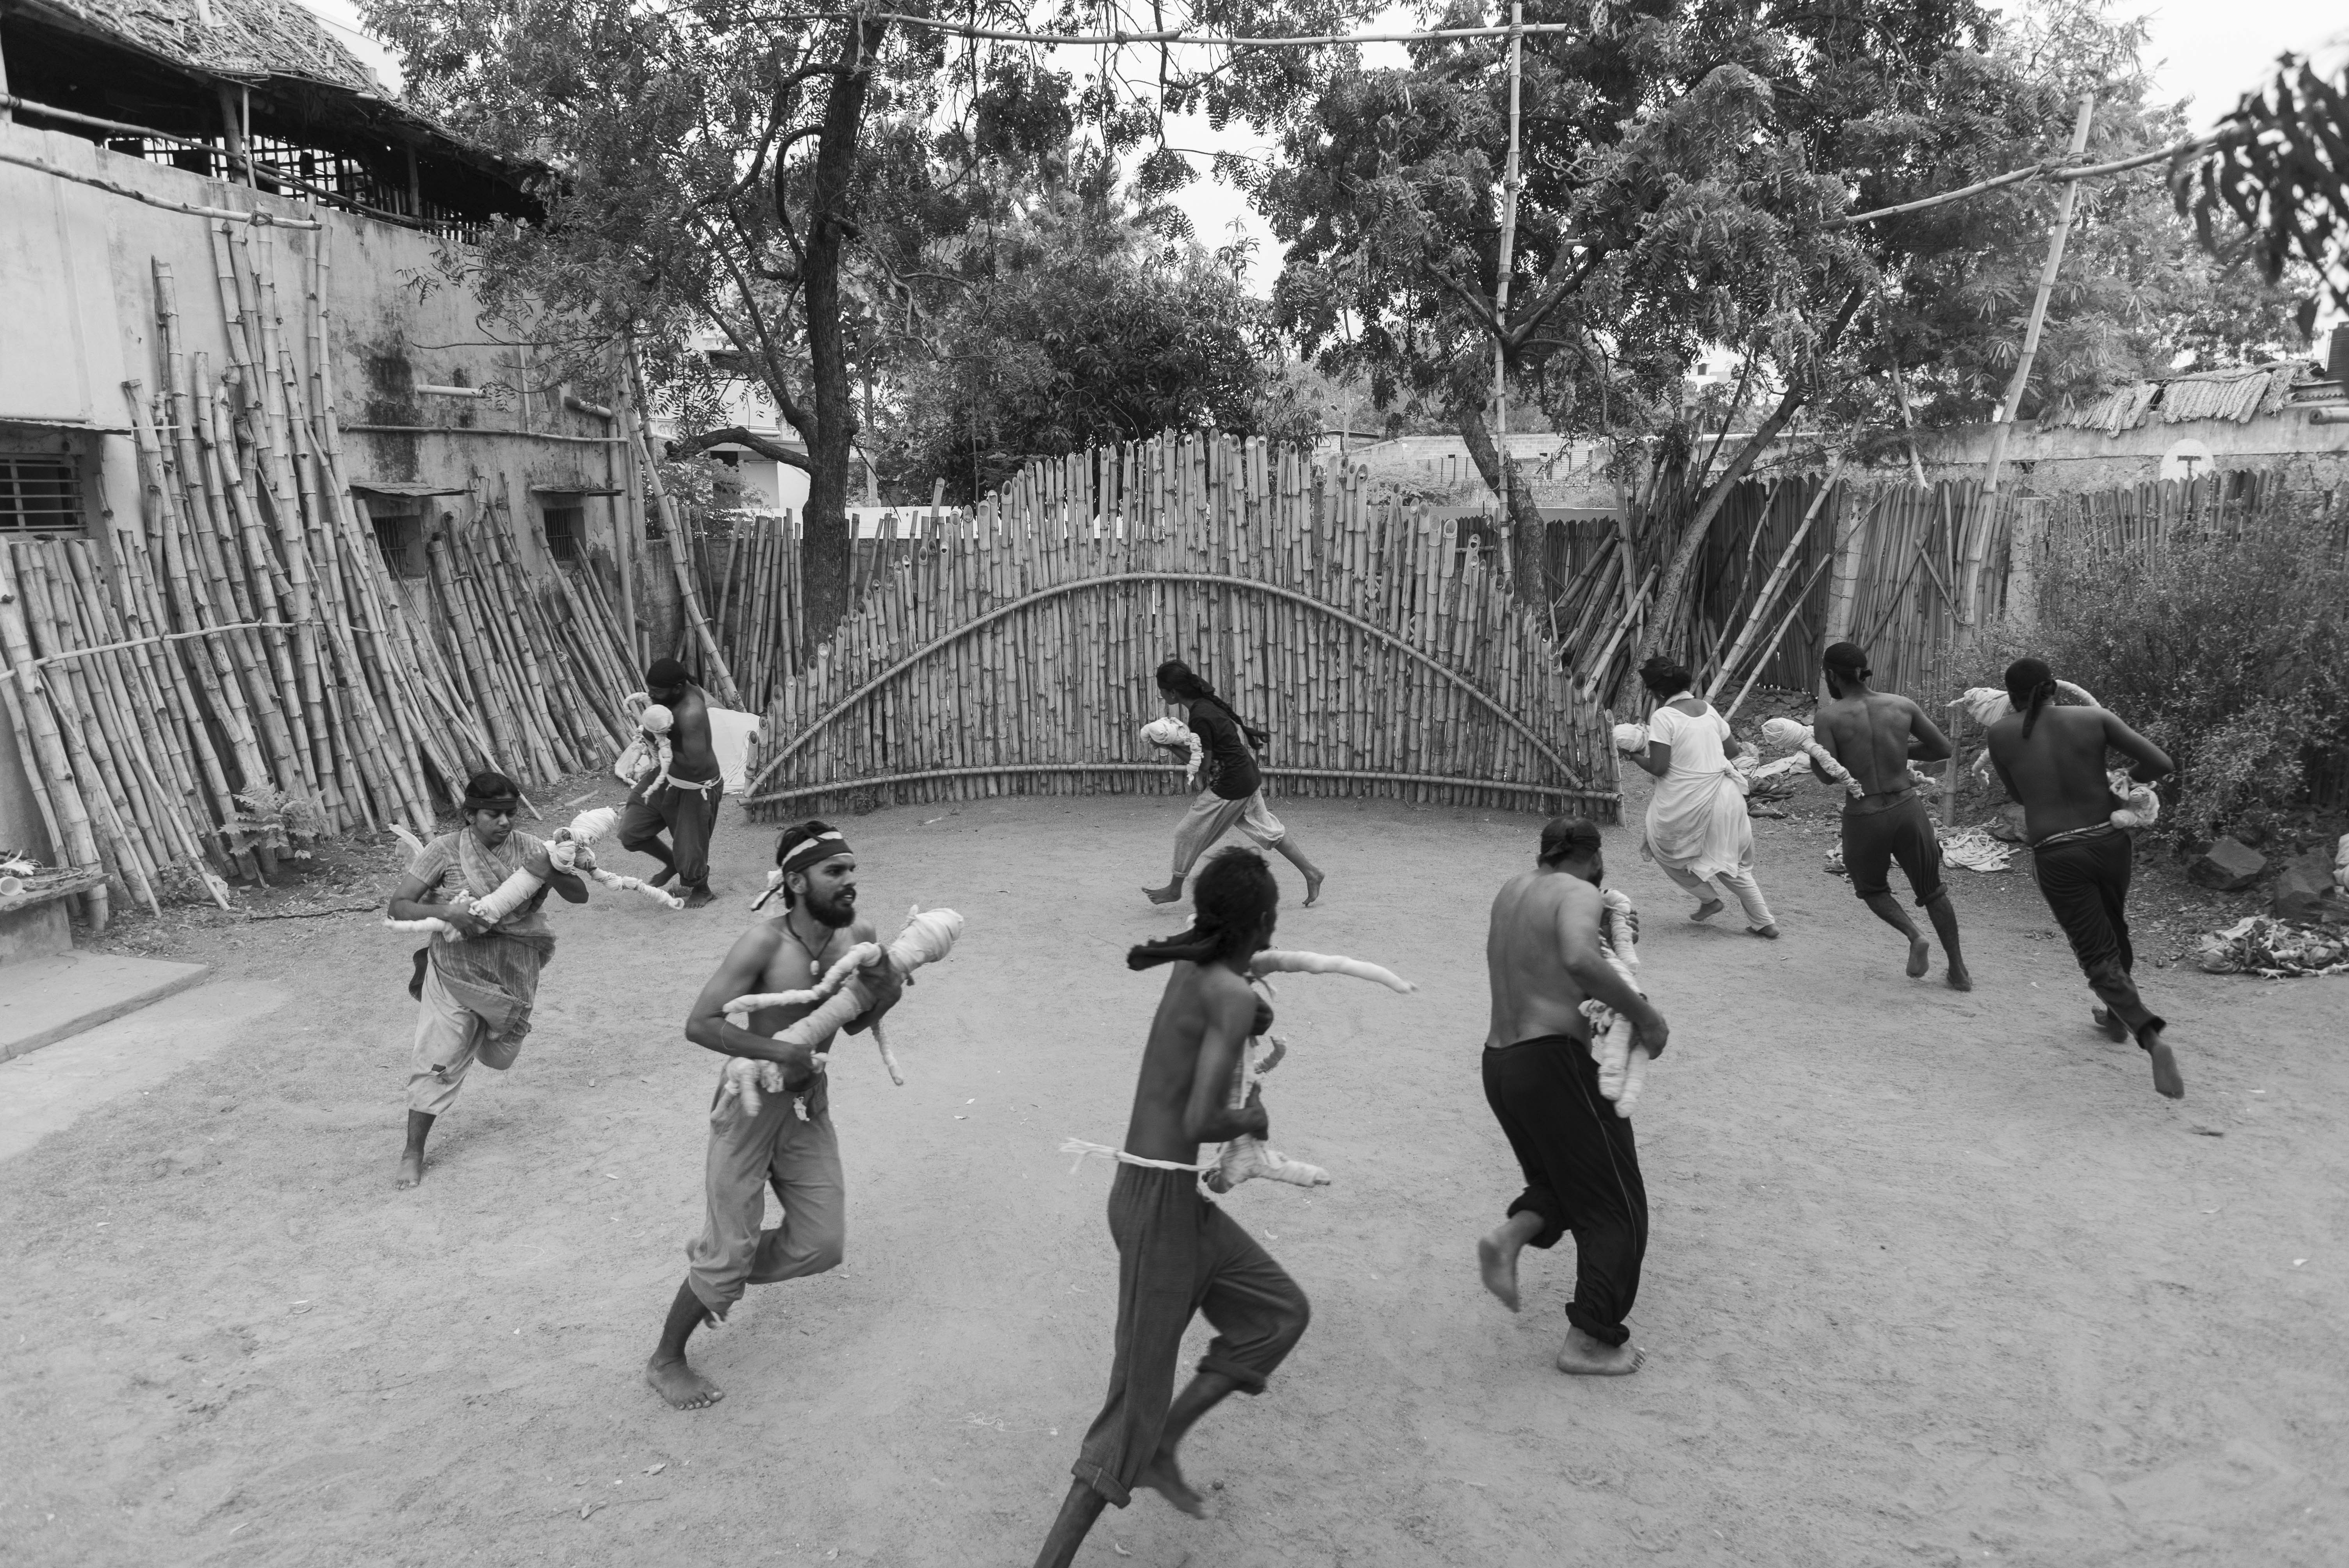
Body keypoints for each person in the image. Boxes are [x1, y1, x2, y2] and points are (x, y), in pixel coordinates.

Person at [1035, 849, 1312, 1563]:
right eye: (1273, 922)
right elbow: (1199, 1119)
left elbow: (1216, 1007)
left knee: (1278, 1313)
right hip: (1157, 1208)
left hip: (1164, 1201)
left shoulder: (1196, 970)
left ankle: (1162, 1446)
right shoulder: (1226, 993)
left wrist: (1248, 1017)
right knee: (1133, 1404)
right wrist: (1252, 1119)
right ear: (1261, 923)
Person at [643, 821, 904, 1409]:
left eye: (852, 870)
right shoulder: (763, 944)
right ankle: (667, 1359)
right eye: (835, 871)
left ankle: (718, 1263)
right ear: (797, 881)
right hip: (749, 1104)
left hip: (808, 1105)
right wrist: (779, 1052)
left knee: (822, 1243)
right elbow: (700, 1024)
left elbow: (854, 1022)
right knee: (727, 1254)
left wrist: (887, 991)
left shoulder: (859, 935)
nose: (850, 881)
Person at [1476, 818, 1669, 1375]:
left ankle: (1509, 1238)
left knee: (1564, 1181)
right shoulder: (1581, 892)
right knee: (1616, 1204)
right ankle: (1589, 1341)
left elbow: (1549, 966)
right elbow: (1580, 960)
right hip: (1551, 1062)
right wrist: (1646, 1017)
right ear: (1594, 858)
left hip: (1500, 1063)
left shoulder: (1512, 890)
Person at [1985, 659, 2183, 1099]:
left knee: (2095, 950)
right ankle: (2115, 1017)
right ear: (2054, 687)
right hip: (2110, 842)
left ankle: (2149, 1035)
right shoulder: (2094, 717)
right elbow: (2160, 762)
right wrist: (2122, 780)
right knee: (2114, 927)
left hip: (2058, 853)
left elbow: (2018, 793)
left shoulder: (2000, 734)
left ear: (2011, 697)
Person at [385, 771, 587, 1188]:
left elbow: (580, 895)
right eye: (494, 814)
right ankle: (412, 1152)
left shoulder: (532, 848)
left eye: (510, 813)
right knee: (437, 1057)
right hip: (455, 969)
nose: (504, 822)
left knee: (500, 1057)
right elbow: (399, 907)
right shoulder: (443, 850)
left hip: (514, 968)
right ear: (470, 814)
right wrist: (447, 912)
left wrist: (550, 870)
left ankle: (475, 1032)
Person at [1808, 641, 1971, 990]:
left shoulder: (1829, 717)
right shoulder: (1901, 705)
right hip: (1908, 808)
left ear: (1832, 675)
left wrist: (1812, 750)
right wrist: (1898, 750)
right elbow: (1943, 749)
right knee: (1933, 890)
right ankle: (1959, 971)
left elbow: (1825, 776)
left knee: (1871, 888)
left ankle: (1915, 935)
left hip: (1865, 813)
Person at [1143, 658, 1324, 909]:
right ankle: (1312, 873)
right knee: (1269, 830)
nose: (1162, 696)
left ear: (1173, 692)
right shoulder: (1205, 705)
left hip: (1231, 785)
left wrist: (1169, 746)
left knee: (1187, 833)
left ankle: (1175, 890)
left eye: (1163, 691)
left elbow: (1204, 766)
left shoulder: (1201, 717)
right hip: (1246, 775)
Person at [1621, 654, 1777, 937]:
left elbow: (1658, 767)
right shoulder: (1707, 709)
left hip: (1696, 801)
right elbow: (1733, 751)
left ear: (1658, 693)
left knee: (1660, 847)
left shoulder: (1664, 717)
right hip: (1727, 794)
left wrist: (1633, 755)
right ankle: (1765, 922)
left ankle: (1709, 898)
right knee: (1730, 862)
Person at [620, 657, 724, 908]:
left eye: (657, 692)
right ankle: (671, 863)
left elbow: (693, 764)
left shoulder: (691, 713)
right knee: (631, 832)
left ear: (677, 689)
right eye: (650, 690)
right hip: (668, 776)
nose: (651, 696)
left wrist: (655, 740)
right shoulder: (677, 692)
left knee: (690, 849)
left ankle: (702, 889)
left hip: (695, 786)